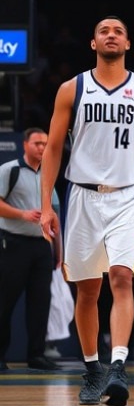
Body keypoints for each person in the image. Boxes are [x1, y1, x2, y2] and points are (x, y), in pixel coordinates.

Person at [39, 16, 134, 406]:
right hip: (82, 195)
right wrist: (46, 206)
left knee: (122, 277)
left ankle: (119, 365)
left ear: (128, 44)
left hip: (128, 196)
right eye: (103, 31)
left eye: (118, 32)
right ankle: (93, 368)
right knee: (87, 290)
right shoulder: (72, 88)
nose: (111, 35)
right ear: (93, 43)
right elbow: (53, 148)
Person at [0, 128, 62, 371]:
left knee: (40, 303)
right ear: (24, 144)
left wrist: (59, 250)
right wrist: (22, 214)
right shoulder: (10, 170)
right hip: (13, 243)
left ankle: (37, 355)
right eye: (37, 143)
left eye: (45, 144)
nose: (42, 148)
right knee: (5, 302)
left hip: (42, 245)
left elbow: (54, 212)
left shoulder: (49, 172)